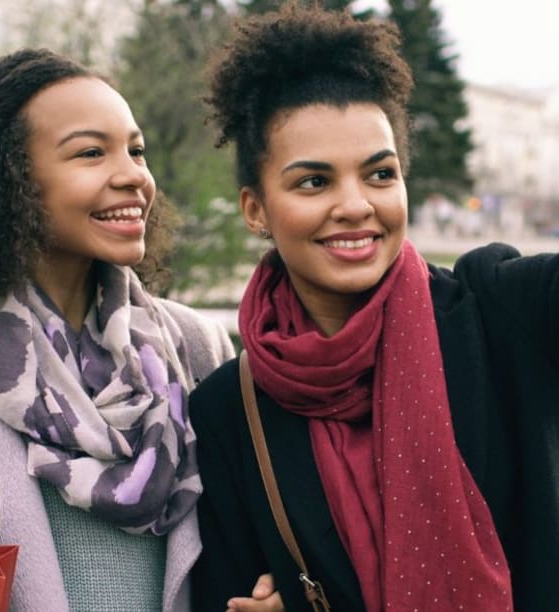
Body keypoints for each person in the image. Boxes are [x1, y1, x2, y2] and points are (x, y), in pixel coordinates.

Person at [0, 49, 281, 611]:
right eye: (92, 153)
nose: (134, 176)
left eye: (136, 150)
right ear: (7, 181)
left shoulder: (193, 344)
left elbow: (233, 543)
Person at [189, 4, 558, 612]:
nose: (357, 205)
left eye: (380, 174)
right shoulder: (229, 411)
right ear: (255, 209)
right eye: (314, 182)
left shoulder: (499, 310)